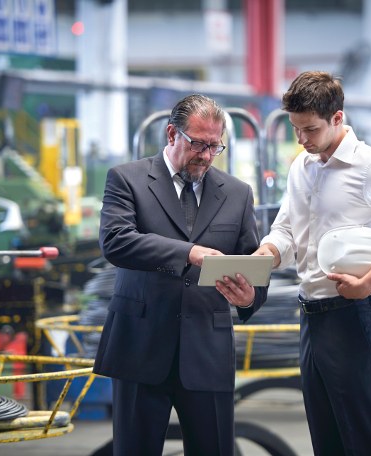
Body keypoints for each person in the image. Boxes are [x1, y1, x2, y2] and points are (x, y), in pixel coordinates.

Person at [253, 71, 371, 455]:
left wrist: (369, 283)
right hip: (310, 318)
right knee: (327, 441)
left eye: (311, 129)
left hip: (352, 318)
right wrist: (263, 256)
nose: (302, 139)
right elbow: (286, 231)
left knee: (363, 442)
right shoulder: (301, 168)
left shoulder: (370, 166)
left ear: (337, 118)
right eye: (295, 129)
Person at [93, 94, 268, 455]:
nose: (205, 155)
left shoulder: (236, 193)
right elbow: (116, 241)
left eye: (214, 147)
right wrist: (188, 253)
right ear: (172, 134)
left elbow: (253, 265)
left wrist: (250, 296)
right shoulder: (127, 180)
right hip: (141, 346)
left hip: (207, 349)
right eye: (198, 144)